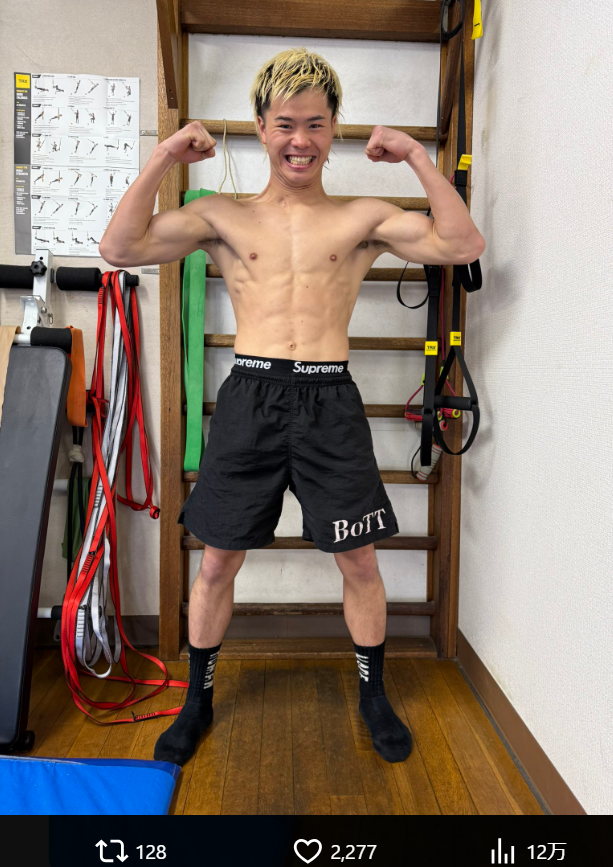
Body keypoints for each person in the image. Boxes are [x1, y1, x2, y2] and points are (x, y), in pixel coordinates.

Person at [99, 48, 485, 769]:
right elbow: (119, 247)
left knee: (358, 559)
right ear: (261, 128)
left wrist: (412, 155)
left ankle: (373, 694)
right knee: (217, 561)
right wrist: (164, 157)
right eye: (285, 124)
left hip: (329, 400)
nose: (299, 140)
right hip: (250, 396)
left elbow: (462, 242)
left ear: (333, 129)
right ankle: (197, 700)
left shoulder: (362, 217)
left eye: (314, 124)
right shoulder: (220, 215)